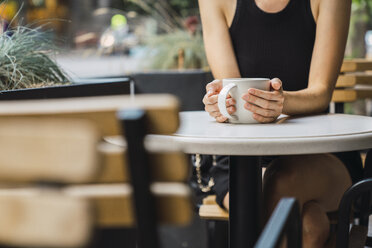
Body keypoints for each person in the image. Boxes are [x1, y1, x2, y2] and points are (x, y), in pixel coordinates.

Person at [198, 0, 363, 247]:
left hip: (320, 152)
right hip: (242, 158)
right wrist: (221, 103)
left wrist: (281, 103)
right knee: (311, 227)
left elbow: (320, 93)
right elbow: (229, 89)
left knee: (278, 181)